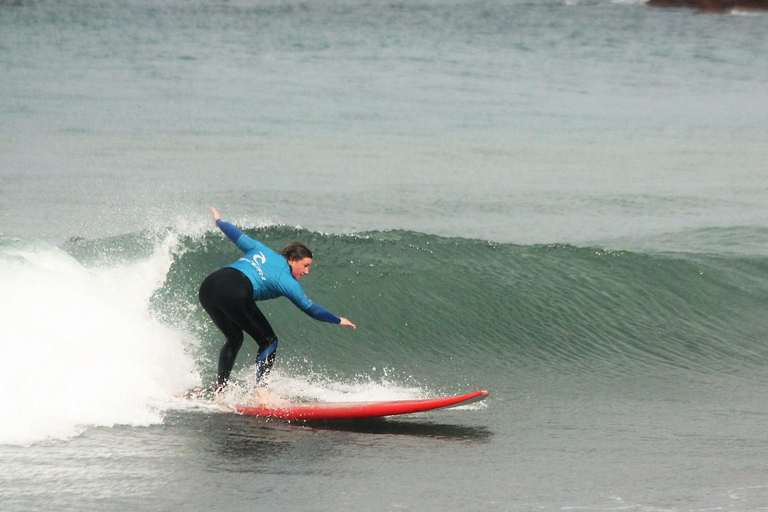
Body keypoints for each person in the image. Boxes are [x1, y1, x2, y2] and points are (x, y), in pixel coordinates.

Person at [199, 207, 356, 392]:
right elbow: (310, 308)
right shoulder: (287, 281)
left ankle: (220, 390)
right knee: (268, 340)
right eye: (305, 265)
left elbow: (236, 235)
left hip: (209, 286)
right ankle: (261, 391)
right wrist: (338, 320)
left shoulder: (261, 249)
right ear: (292, 259)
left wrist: (219, 221)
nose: (307, 271)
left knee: (234, 338)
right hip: (236, 291)